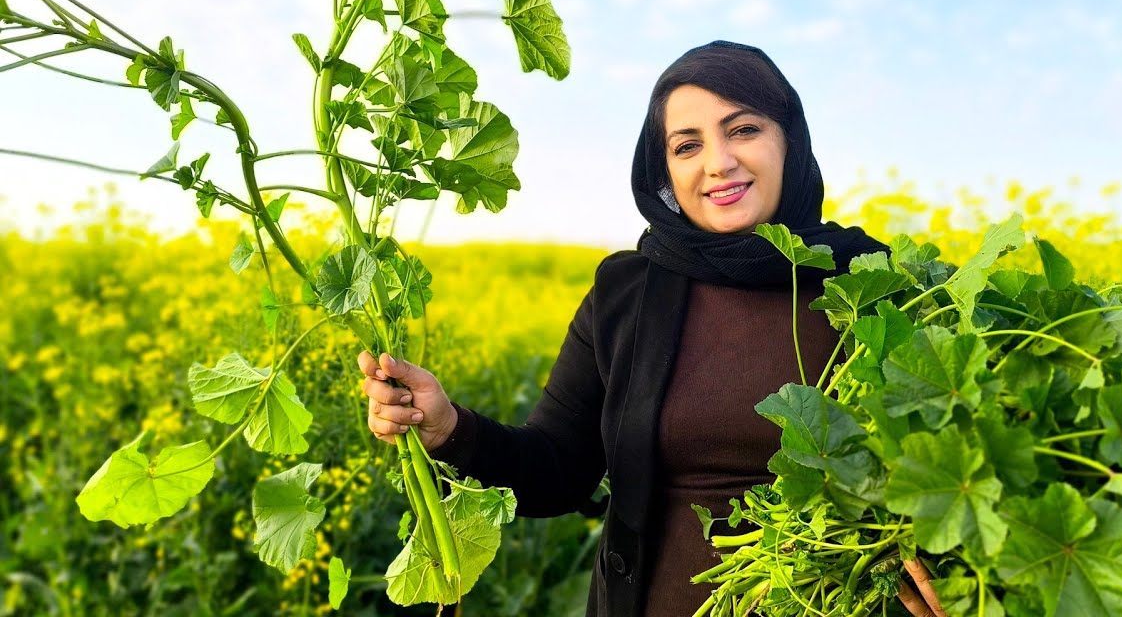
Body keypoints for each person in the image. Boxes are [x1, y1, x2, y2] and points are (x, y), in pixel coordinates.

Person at [359, 41, 949, 617]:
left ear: (789, 140)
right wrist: (447, 429)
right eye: (687, 145)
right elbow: (557, 470)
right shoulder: (627, 295)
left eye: (744, 130)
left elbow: (942, 474)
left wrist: (949, 573)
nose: (718, 162)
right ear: (664, 170)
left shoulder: (878, 288)